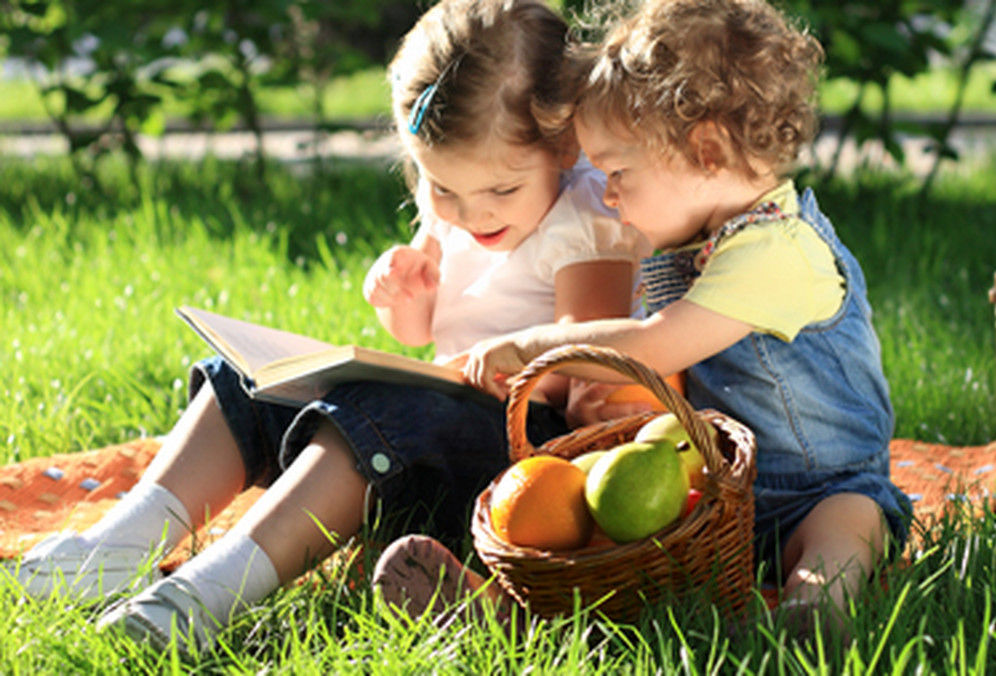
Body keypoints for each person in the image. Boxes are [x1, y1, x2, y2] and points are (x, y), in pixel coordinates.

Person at [13, 0, 648, 652]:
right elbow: (419, 330)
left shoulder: (581, 221)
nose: (468, 213)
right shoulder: (461, 209)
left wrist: (488, 369)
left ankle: (206, 595)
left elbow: (579, 358)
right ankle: (120, 545)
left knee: (375, 415)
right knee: (253, 377)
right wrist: (402, 297)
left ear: (563, 145)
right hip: (439, 415)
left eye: (499, 192)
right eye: (441, 189)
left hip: (522, 450)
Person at [380, 0, 913, 634]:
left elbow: (653, 346)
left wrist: (527, 348)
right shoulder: (696, 240)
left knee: (845, 529)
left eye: (617, 171)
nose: (605, 193)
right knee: (609, 516)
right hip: (712, 490)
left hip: (819, 489)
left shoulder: (778, 251)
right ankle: (513, 608)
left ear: (706, 150)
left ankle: (814, 608)